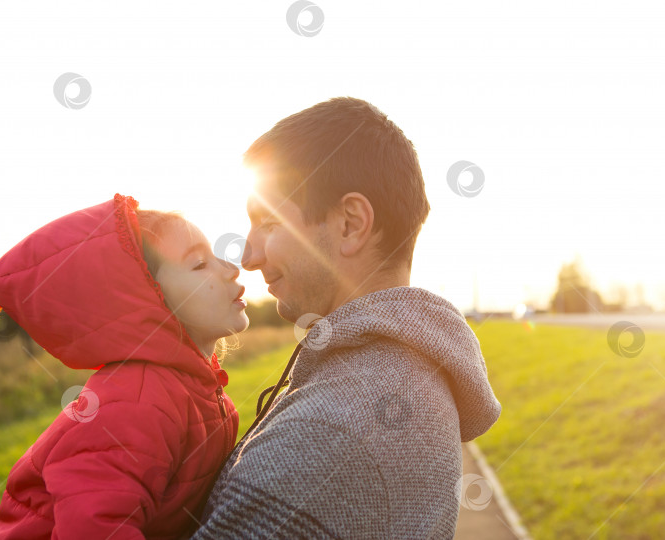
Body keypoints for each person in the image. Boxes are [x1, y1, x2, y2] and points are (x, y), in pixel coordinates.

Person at [193, 97, 502, 539]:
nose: (248, 256)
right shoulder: (400, 374)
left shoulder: (331, 432)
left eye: (268, 222)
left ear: (350, 224)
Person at [0, 194, 247, 539]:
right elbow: (96, 528)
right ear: (148, 298)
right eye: (200, 264)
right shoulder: (137, 404)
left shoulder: (198, 388)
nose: (232, 268)